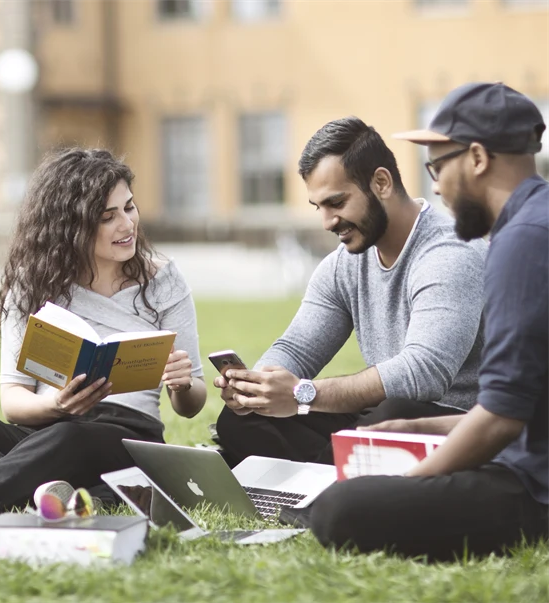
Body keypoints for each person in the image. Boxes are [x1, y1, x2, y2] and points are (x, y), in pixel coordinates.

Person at [0, 148, 208, 529]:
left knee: (71, 437)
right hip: (45, 430)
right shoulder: (33, 284)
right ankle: (40, 488)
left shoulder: (163, 281)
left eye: (129, 208)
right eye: (108, 216)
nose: (127, 224)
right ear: (71, 226)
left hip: (127, 441)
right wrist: (56, 405)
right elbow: (13, 402)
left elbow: (191, 404)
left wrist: (182, 384)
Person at [311, 82, 549, 561]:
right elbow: (525, 405)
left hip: (535, 486)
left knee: (338, 509)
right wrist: (423, 427)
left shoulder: (522, 242)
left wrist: (411, 480)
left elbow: (502, 417)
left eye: (437, 167)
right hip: (529, 455)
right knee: (389, 429)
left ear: (477, 157)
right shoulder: (532, 225)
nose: (435, 186)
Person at [214, 117, 487, 467]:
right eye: (319, 208)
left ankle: (320, 472)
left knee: (391, 413)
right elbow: (297, 347)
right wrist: (257, 387)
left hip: (452, 424)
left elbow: (423, 373)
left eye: (337, 203)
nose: (327, 222)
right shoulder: (345, 263)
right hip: (378, 418)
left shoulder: (450, 253)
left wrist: (301, 393)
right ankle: (339, 470)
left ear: (381, 183)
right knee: (240, 420)